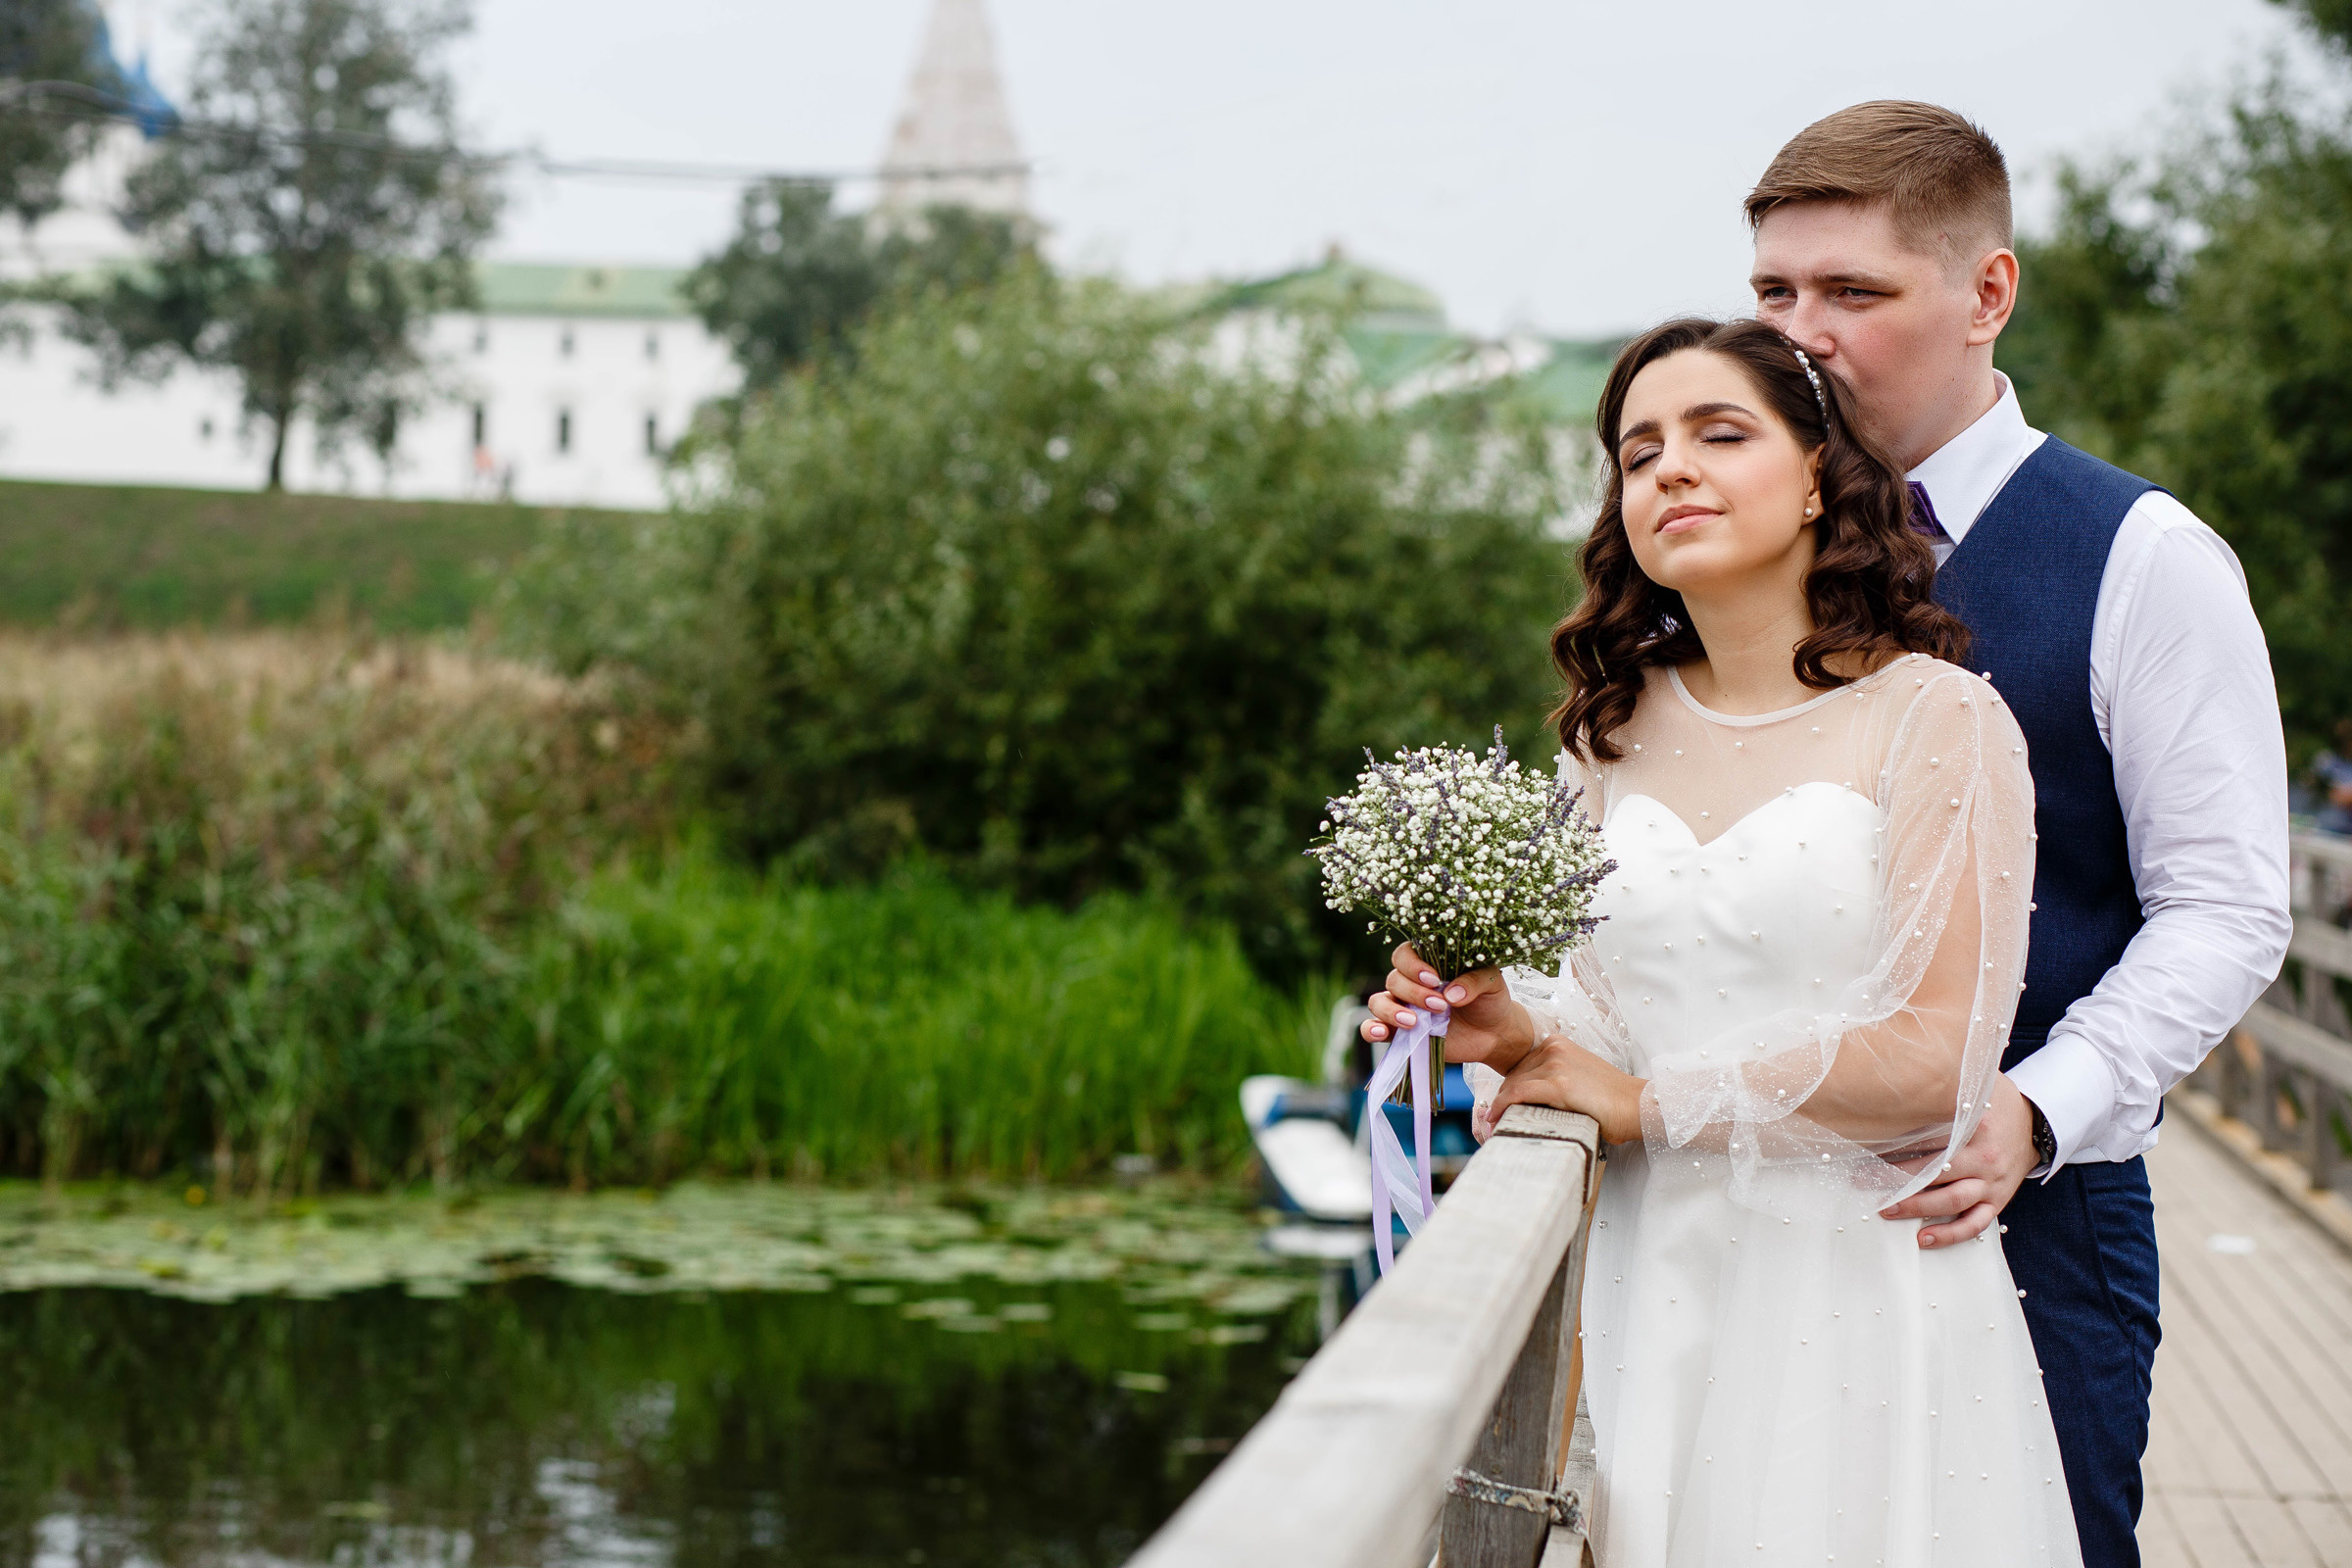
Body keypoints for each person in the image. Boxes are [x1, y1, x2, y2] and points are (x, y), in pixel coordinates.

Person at [1373, 314, 2073, 1561]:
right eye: (1639, 454)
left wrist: (1649, 1103)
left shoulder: (1939, 722)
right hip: (1645, 1274)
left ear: (1817, 473)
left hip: (1854, 1286)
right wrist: (1505, 1022)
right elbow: (1601, 1005)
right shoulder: (1608, 730)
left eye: (1718, 433)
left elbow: (1936, 1060)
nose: (1670, 470)